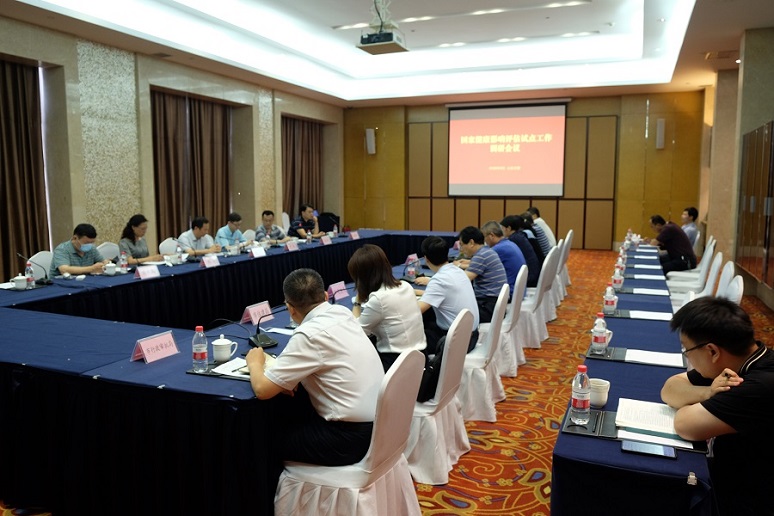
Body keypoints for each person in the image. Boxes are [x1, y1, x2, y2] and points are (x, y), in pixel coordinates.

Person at [245, 268, 384, 469]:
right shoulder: (342, 312)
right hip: (379, 425)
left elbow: (262, 390)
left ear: (290, 308)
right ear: (326, 296)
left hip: (347, 439)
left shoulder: (308, 334)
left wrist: (254, 363)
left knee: (261, 439)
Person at [660, 297, 774, 516]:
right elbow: (669, 389)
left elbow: (685, 425)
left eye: (687, 350)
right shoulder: (739, 360)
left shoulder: (760, 385)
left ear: (712, 351)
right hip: (734, 475)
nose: (688, 357)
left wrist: (694, 399)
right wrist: (708, 392)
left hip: (751, 499)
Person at [348, 244, 427, 372]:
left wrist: (357, 303)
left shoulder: (379, 299)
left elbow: (358, 332)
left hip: (396, 365)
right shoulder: (405, 286)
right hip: (421, 356)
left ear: (362, 277)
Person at [414, 236, 479, 354]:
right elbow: (446, 294)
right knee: (429, 322)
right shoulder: (458, 271)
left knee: (413, 338)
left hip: (456, 342)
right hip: (472, 335)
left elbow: (415, 311)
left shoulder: (439, 280)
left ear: (426, 258)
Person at [452, 226, 508, 323]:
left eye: (461, 245)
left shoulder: (481, 256)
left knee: (450, 312)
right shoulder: (487, 251)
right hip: (495, 306)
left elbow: (462, 281)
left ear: (471, 243)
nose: (461, 249)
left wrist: (430, 280)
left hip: (488, 308)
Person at [480, 221, 526, 301]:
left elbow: (480, 264)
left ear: (491, 236)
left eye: (484, 237)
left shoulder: (499, 249)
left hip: (509, 293)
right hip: (518, 291)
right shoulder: (509, 244)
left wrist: (460, 265)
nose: (484, 241)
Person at [501, 215, 542, 287]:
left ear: (509, 228)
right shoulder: (519, 235)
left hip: (529, 278)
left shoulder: (514, 239)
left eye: (502, 228)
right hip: (534, 273)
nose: (501, 231)